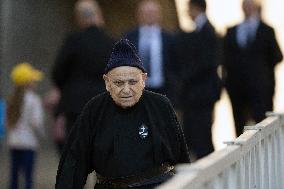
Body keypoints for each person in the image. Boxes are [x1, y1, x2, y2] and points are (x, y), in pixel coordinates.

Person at [55, 39, 190, 189]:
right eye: (119, 83)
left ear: (143, 80)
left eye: (132, 82)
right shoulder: (94, 110)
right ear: (107, 82)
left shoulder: (160, 105)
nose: (126, 90)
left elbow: (181, 159)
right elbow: (73, 162)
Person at [51, 0, 114, 150]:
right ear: (99, 15)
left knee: (76, 153)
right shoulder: (111, 42)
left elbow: (58, 72)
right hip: (103, 104)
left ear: (79, 17)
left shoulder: (73, 41)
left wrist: (65, 87)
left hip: (75, 106)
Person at [223, 0, 283, 136]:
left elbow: (277, 56)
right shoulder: (232, 31)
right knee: (240, 132)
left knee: (264, 130)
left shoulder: (266, 30)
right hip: (237, 91)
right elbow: (226, 59)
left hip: (261, 91)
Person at [173, 0, 221, 159]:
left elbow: (206, 63)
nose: (187, 12)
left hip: (201, 95)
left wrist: (183, 76)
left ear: (195, 8)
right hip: (198, 95)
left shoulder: (207, 31)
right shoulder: (201, 30)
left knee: (202, 138)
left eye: (189, 9)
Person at [124, 0, 177, 104]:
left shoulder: (169, 38)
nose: (150, 16)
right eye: (146, 13)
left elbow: (175, 64)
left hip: (163, 90)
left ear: (159, 15)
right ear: (139, 15)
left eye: (153, 12)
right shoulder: (129, 37)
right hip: (136, 91)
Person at [6, 63, 44, 189]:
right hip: (29, 144)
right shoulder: (34, 100)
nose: (35, 83)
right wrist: (41, 134)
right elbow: (36, 123)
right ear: (27, 82)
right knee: (28, 177)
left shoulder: (12, 99)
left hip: (14, 143)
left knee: (14, 176)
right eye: (33, 80)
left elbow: (8, 122)